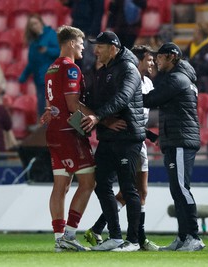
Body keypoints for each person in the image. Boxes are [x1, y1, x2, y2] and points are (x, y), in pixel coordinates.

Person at [83, 45, 159, 251]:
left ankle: (134, 237)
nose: (152, 63)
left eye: (153, 60)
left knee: (138, 190)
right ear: (139, 60)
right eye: (149, 60)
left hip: (136, 137)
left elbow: (136, 113)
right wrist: (104, 120)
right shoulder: (123, 75)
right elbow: (122, 104)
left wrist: (151, 135)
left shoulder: (148, 83)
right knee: (132, 189)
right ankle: (123, 235)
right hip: (128, 137)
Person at [143, 42, 205, 251]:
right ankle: (183, 236)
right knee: (177, 189)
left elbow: (151, 99)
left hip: (180, 139)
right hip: (176, 138)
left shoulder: (176, 79)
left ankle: (194, 237)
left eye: (159, 57)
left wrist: (129, 95)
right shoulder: (181, 78)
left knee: (181, 188)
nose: (157, 61)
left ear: (171, 56)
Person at [40, 25, 96, 252]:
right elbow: (73, 105)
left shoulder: (50, 69)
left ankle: (59, 238)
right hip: (68, 133)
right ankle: (70, 234)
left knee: (61, 185)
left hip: (53, 131)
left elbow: (51, 104)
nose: (83, 48)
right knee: (88, 182)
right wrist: (95, 116)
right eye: (81, 43)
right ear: (72, 43)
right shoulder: (71, 68)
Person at [18, 14, 60, 118]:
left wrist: (47, 50)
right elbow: (31, 63)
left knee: (53, 107)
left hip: (52, 78)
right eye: (31, 25)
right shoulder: (33, 42)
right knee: (42, 106)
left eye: (35, 23)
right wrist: (23, 77)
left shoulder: (51, 34)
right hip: (39, 80)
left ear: (41, 22)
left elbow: (60, 52)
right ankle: (44, 130)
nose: (34, 27)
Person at [59, 0, 104, 72]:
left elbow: (98, 14)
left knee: (88, 62)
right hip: (77, 29)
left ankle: (87, 79)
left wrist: (91, 32)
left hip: (88, 32)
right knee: (76, 58)